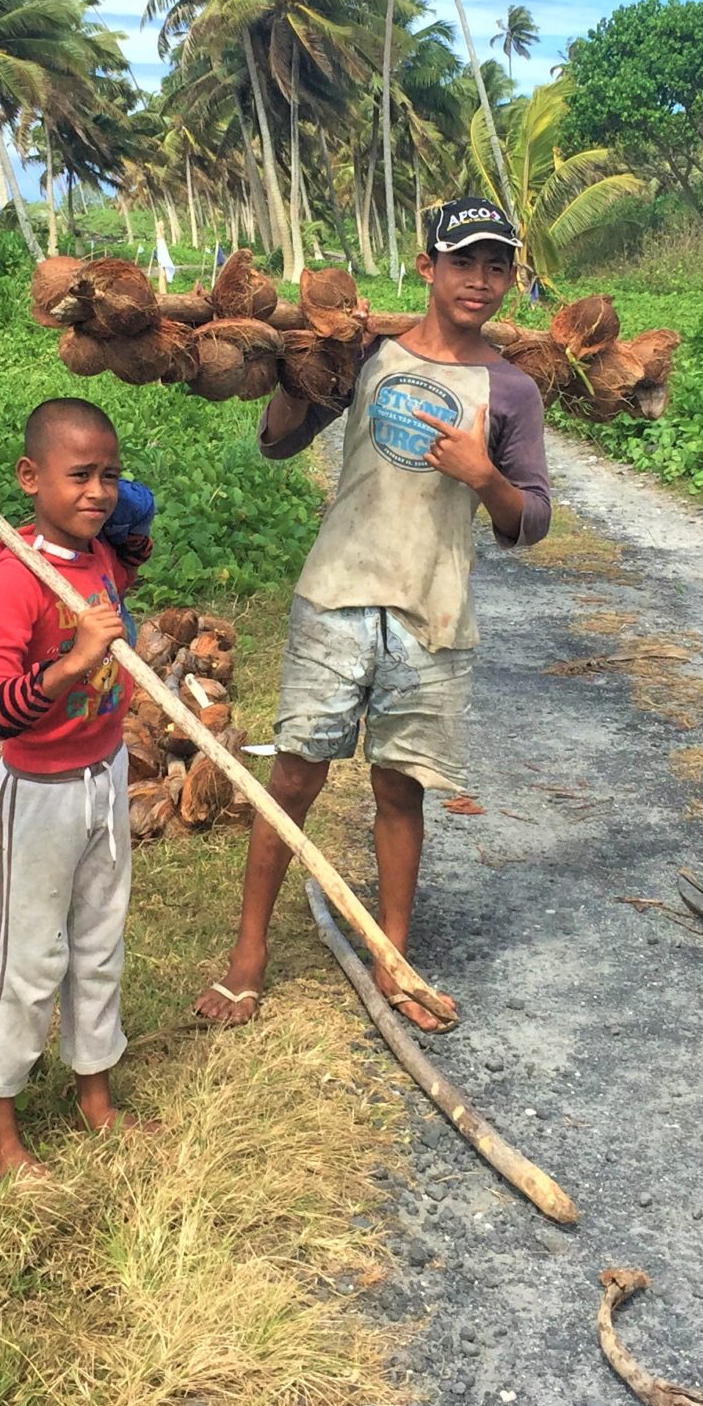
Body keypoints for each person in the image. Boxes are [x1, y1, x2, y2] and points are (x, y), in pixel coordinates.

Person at [193, 198, 553, 1033]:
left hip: (433, 613)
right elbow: (279, 439)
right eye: (463, 262)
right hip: (337, 595)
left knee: (400, 791)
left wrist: (482, 474)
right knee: (294, 776)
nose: (480, 280)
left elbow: (528, 520)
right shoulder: (369, 355)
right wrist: (308, 367)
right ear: (426, 268)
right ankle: (247, 956)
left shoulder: (511, 389)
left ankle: (393, 957)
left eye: (496, 265)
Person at [0, 397, 156, 1179]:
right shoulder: (16, 578)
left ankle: (94, 1093)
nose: (98, 493)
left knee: (99, 942)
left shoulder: (102, 554)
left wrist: (118, 504)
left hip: (104, 774)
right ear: (28, 477)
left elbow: (139, 521)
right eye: (79, 476)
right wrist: (72, 662)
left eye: (109, 475)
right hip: (39, 792)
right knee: (31, 957)